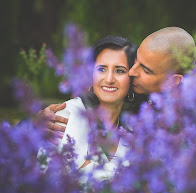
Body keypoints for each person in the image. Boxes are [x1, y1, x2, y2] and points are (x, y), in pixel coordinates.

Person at [39, 27, 196, 138]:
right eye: (135, 61)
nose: (132, 72)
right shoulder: (136, 85)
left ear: (172, 81)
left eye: (145, 70)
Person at [42, 35, 137, 181]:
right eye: (102, 69)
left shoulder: (133, 132)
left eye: (119, 71)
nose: (109, 79)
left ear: (131, 78)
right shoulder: (66, 114)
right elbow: (47, 181)